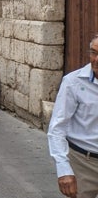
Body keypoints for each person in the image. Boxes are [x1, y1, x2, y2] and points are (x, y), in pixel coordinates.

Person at [48, 36, 98, 198]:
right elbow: (57, 128)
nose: (96, 60)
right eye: (93, 53)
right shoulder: (73, 82)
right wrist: (64, 170)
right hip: (84, 163)